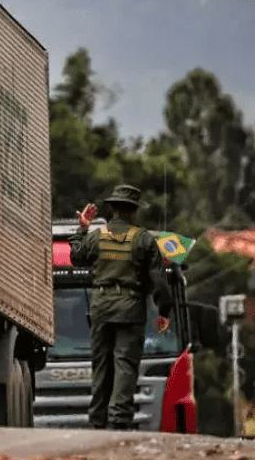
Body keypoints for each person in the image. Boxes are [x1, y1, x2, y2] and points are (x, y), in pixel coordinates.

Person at [69, 184, 173, 430]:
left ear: (114, 210)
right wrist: (164, 312)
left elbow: (76, 257)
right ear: (134, 212)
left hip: (101, 308)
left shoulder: (97, 236)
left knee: (102, 365)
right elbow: (160, 281)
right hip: (130, 309)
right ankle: (118, 422)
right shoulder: (145, 239)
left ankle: (97, 422)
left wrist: (81, 230)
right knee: (125, 365)